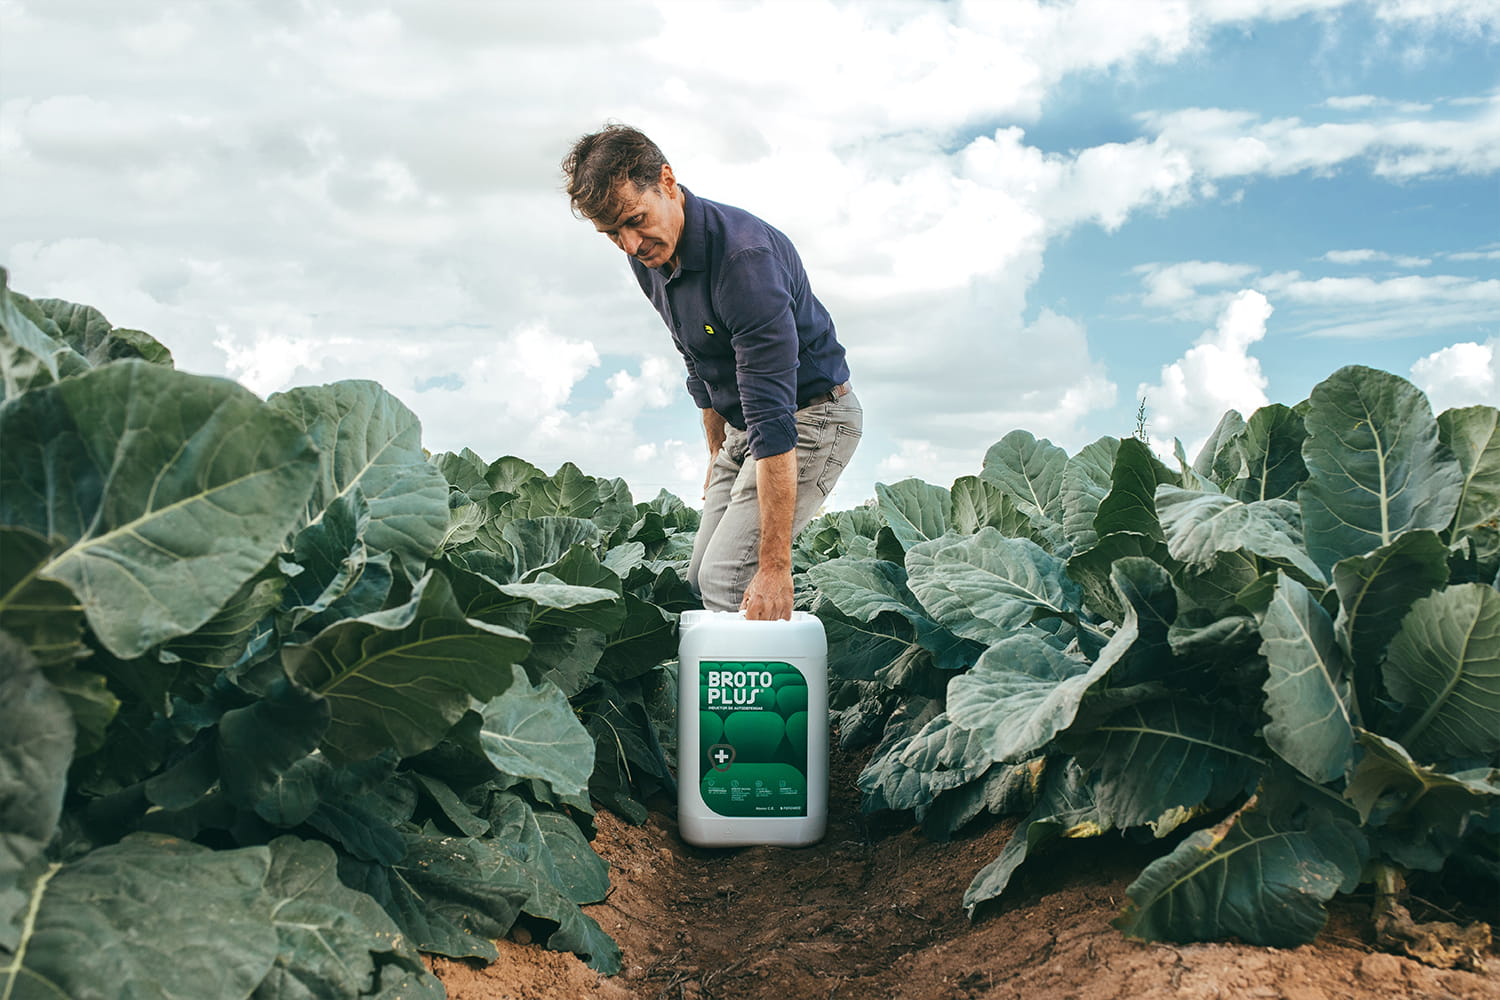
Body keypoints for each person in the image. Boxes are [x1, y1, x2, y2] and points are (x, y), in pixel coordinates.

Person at [562, 123, 862, 620]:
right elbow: (697, 363)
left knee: (729, 579)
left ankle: (764, 697)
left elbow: (774, 418)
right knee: (699, 571)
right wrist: (717, 454)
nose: (630, 244)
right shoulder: (650, 256)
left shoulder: (744, 262)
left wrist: (774, 566)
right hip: (748, 427)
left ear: (667, 180)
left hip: (811, 419)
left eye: (636, 220)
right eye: (612, 233)